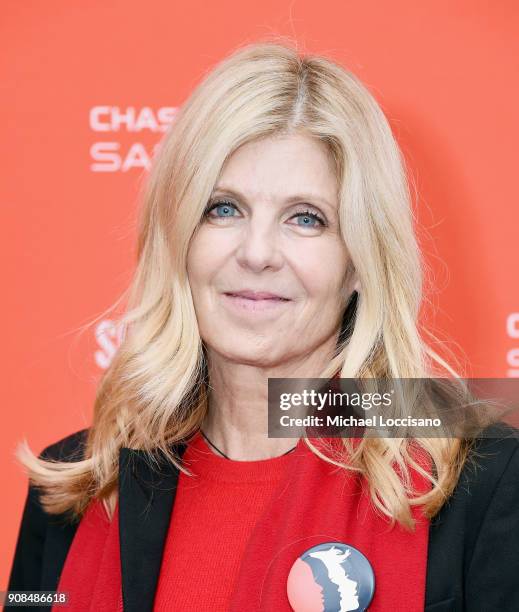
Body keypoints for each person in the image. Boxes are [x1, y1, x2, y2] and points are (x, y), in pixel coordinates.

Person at [5, 40, 519, 612]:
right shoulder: (72, 488)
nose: (256, 252)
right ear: (178, 237)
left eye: (306, 218)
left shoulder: (483, 480)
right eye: (223, 208)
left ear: (360, 262)